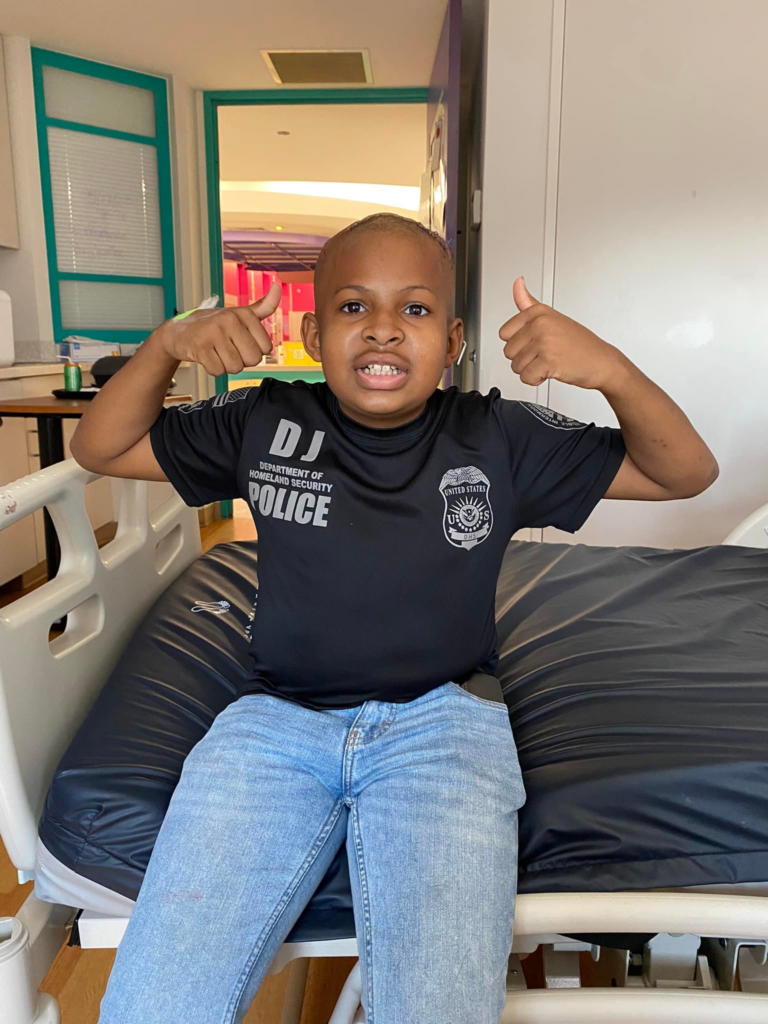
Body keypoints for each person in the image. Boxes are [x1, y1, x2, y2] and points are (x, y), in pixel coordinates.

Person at [72, 213, 718, 1024]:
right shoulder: (262, 422)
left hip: (444, 728)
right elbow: (100, 449)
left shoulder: (498, 436)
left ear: (452, 341)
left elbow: (684, 472)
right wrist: (168, 346)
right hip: (272, 726)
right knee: (155, 1005)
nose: (382, 328)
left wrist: (610, 370)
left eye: (414, 309)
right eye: (353, 307)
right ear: (313, 335)